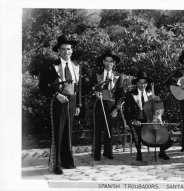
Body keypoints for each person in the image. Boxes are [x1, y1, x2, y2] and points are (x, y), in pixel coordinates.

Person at [39, 34, 82, 174]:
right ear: (59, 50)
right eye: (63, 49)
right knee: (58, 132)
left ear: (72, 50)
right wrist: (56, 95)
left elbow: (78, 87)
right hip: (58, 101)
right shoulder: (51, 66)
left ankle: (67, 161)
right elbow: (43, 86)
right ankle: (56, 164)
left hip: (72, 101)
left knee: (68, 133)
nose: (66, 52)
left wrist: (78, 105)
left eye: (69, 49)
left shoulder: (76, 66)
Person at [124, 72, 173, 161]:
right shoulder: (130, 94)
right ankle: (139, 152)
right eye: (140, 83)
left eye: (144, 83)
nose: (142, 85)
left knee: (161, 131)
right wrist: (133, 120)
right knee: (137, 130)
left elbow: (158, 109)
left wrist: (158, 101)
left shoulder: (151, 94)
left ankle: (162, 152)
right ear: (137, 83)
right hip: (137, 120)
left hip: (150, 119)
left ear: (147, 84)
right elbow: (126, 111)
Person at [90, 50, 124, 161]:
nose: (109, 64)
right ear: (103, 62)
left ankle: (108, 153)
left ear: (114, 63)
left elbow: (120, 94)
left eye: (111, 62)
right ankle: (96, 154)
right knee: (97, 130)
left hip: (111, 106)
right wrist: (95, 93)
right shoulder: (96, 74)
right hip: (99, 104)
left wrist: (117, 109)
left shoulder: (118, 76)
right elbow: (90, 88)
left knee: (109, 129)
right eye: (107, 61)